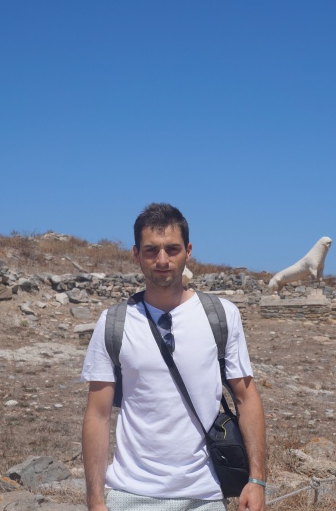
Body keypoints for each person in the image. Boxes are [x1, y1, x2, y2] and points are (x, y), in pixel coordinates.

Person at [81, 203, 267, 511]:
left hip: (204, 496)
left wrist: (257, 480)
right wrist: (95, 500)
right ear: (136, 254)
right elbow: (97, 415)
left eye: (172, 249)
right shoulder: (114, 323)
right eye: (151, 250)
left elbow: (247, 397)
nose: (163, 260)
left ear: (188, 251)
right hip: (130, 495)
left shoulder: (221, 315)